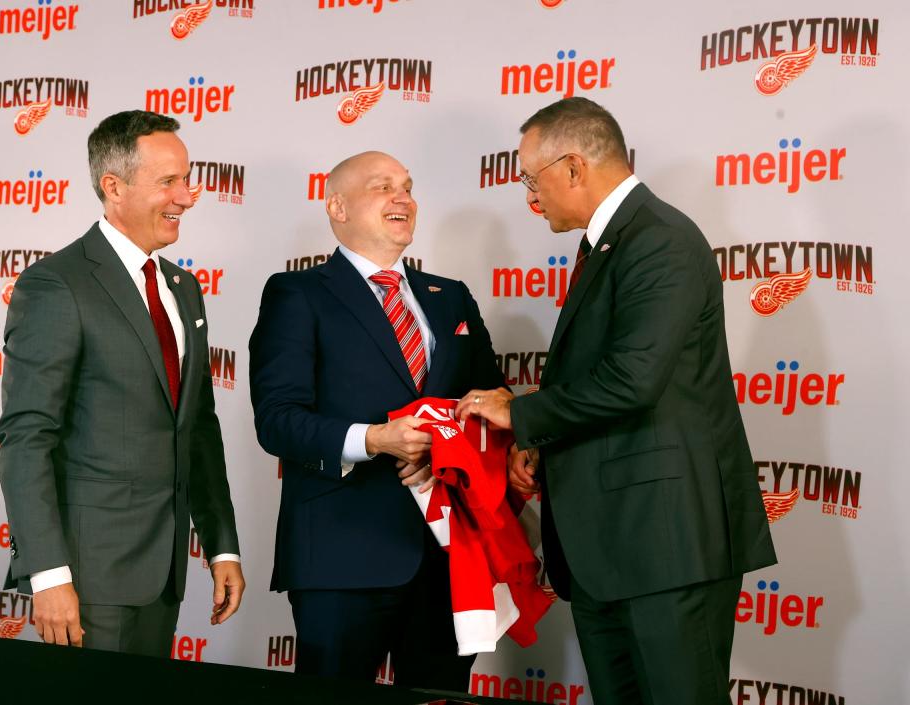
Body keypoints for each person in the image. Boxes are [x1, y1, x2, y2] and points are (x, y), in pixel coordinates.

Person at [456, 97, 777, 705]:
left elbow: (634, 379)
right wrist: (542, 447)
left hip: (666, 545)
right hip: (610, 548)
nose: (529, 197)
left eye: (532, 177)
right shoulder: (606, 244)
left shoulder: (659, 240)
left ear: (573, 168)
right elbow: (607, 377)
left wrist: (520, 413)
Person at [249, 151, 505, 689]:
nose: (403, 198)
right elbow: (277, 420)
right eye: (382, 186)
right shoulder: (297, 293)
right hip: (342, 558)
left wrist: (466, 440)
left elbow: (492, 398)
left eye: (408, 187)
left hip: (448, 557)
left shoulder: (450, 297)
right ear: (337, 206)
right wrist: (373, 440)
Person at [0, 110, 244, 656]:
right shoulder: (56, 284)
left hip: (165, 576)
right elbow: (26, 438)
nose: (188, 196)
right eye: (169, 182)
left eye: (188, 178)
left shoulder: (183, 288)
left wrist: (222, 547)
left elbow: (198, 426)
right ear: (114, 187)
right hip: (87, 579)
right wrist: (48, 574)